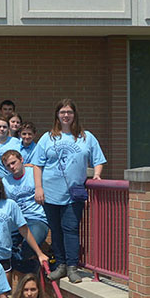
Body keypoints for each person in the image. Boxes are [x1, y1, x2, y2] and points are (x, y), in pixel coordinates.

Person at [33, 98, 107, 283]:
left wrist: (96, 175)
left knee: (71, 229)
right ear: (57, 115)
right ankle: (61, 265)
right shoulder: (48, 137)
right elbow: (37, 164)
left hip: (74, 193)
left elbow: (98, 160)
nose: (66, 115)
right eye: (62, 112)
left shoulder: (86, 137)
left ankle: (73, 267)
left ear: (75, 115)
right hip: (50, 192)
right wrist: (39, 188)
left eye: (69, 112)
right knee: (56, 231)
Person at [1, 150, 50, 275]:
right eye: (8, 165)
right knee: (2, 246)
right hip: (16, 222)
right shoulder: (5, 182)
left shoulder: (34, 173)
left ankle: (23, 261)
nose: (12, 167)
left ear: (21, 159)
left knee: (30, 244)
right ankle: (27, 265)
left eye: (14, 162)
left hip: (37, 219)